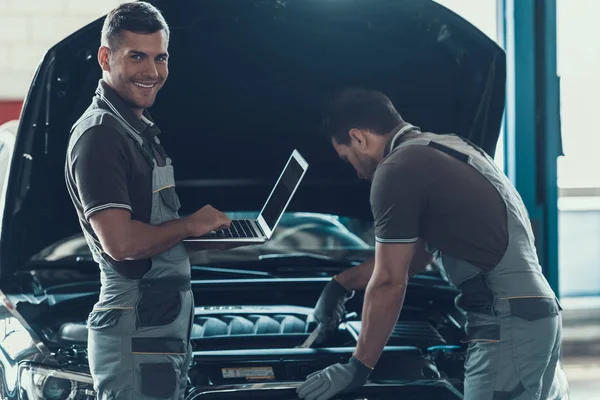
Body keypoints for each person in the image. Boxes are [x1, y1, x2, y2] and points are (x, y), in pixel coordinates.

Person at [297, 88, 569, 400]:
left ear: (358, 138)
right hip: (534, 316)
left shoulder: (397, 168)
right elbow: (417, 256)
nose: (358, 174)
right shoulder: (449, 147)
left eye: (348, 159)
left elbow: (389, 280)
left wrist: (359, 366)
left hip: (505, 321)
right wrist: (341, 284)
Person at [64, 2, 232, 399]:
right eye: (136, 56)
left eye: (160, 57)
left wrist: (204, 239)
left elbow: (152, 233)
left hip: (156, 331)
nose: (152, 72)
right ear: (106, 57)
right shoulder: (100, 136)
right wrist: (190, 225)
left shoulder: (135, 130)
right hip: (135, 333)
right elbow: (120, 244)